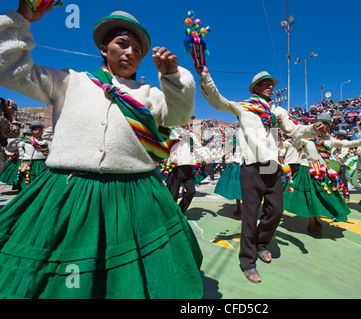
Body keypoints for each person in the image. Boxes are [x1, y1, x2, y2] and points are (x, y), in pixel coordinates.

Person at [0, 4, 202, 299]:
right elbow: (9, 69)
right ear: (104, 47)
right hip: (69, 192)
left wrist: (173, 77)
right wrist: (20, 20)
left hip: (134, 195)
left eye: (137, 49)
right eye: (122, 43)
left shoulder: (150, 95)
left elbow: (179, 116)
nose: (130, 52)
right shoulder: (70, 81)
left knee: (129, 278)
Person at [195, 65, 326, 283]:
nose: (270, 87)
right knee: (249, 214)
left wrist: (313, 129)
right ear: (255, 87)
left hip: (271, 165)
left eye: (271, 84)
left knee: (275, 211)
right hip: (252, 165)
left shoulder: (278, 112)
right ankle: (247, 261)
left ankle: (261, 243)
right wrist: (205, 77)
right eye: (265, 83)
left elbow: (293, 130)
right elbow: (218, 100)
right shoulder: (244, 107)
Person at [284, 113, 361, 237]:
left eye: (326, 126)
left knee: (325, 196)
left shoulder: (329, 140)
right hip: (308, 170)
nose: (323, 128)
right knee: (311, 197)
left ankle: (317, 220)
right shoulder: (306, 137)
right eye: (321, 125)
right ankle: (312, 223)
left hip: (322, 171)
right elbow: (294, 138)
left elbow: (346, 144)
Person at [166, 125, 210, 216]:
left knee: (191, 191)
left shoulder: (190, 135)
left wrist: (206, 157)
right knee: (173, 194)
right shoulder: (172, 132)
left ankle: (180, 211)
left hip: (188, 166)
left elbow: (199, 147)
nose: (186, 123)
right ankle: (171, 215)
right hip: (175, 167)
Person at [331, 130, 351, 202]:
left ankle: (346, 195)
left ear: (343, 136)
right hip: (333, 163)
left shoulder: (345, 142)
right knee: (332, 179)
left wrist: (339, 157)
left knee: (343, 179)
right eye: (338, 135)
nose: (338, 136)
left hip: (342, 164)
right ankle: (332, 195)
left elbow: (344, 152)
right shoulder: (335, 142)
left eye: (340, 135)